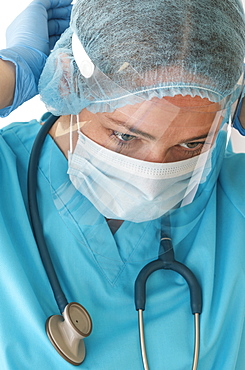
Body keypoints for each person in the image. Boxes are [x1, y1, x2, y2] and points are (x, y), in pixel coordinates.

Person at [0, 0, 245, 369]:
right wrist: (7, 77)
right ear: (68, 82)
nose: (153, 173)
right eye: (125, 136)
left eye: (191, 143)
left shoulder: (233, 199)